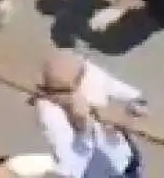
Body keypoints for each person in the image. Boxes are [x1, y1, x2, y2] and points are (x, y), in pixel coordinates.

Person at [35, 48, 146, 177]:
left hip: (125, 154)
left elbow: (121, 90)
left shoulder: (87, 72)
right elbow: (72, 169)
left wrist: (133, 107)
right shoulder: (51, 117)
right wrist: (83, 129)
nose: (88, 78)